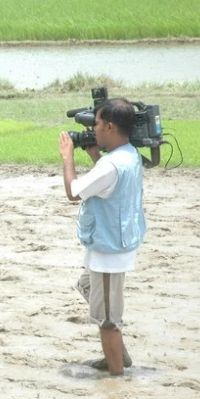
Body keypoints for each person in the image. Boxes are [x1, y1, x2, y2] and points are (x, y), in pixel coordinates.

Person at [58, 99, 147, 376]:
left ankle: (117, 378)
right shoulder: (129, 155)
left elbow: (74, 192)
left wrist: (67, 156)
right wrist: (96, 154)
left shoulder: (110, 166)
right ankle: (117, 354)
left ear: (109, 125)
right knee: (86, 286)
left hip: (109, 254)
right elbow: (108, 181)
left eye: (95, 123)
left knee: (108, 319)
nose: (92, 129)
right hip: (114, 243)